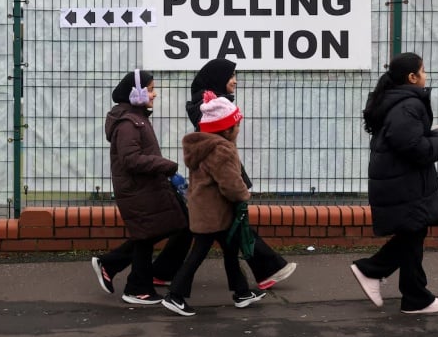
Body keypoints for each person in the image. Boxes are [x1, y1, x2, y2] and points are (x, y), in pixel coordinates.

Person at [351, 52, 438, 314]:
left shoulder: (398, 101)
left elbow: (404, 137)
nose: (426, 75)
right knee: (413, 232)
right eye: (423, 70)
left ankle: (412, 295)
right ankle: (375, 272)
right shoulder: (409, 104)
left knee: (413, 233)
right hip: (403, 182)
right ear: (412, 77)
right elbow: (412, 145)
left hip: (399, 179)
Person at [185, 58, 296, 290]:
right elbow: (220, 156)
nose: (235, 81)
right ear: (218, 79)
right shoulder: (209, 107)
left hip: (213, 188)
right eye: (231, 76)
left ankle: (247, 286)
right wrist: (239, 187)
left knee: (227, 238)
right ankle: (176, 290)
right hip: (214, 190)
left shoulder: (213, 102)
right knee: (229, 233)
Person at [163, 91, 266, 316]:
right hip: (215, 213)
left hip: (206, 209)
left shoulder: (202, 145)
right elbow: (230, 183)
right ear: (226, 129)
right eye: (237, 126)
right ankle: (175, 295)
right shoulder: (222, 149)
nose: (239, 130)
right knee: (198, 254)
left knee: (230, 251)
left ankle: (241, 292)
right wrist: (243, 196)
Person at [103, 69, 188, 304]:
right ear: (136, 92)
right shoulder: (128, 123)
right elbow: (130, 159)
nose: (155, 94)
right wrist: (166, 166)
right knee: (151, 232)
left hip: (145, 188)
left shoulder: (136, 117)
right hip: (139, 190)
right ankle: (136, 287)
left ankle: (120, 271)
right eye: (150, 89)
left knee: (154, 231)